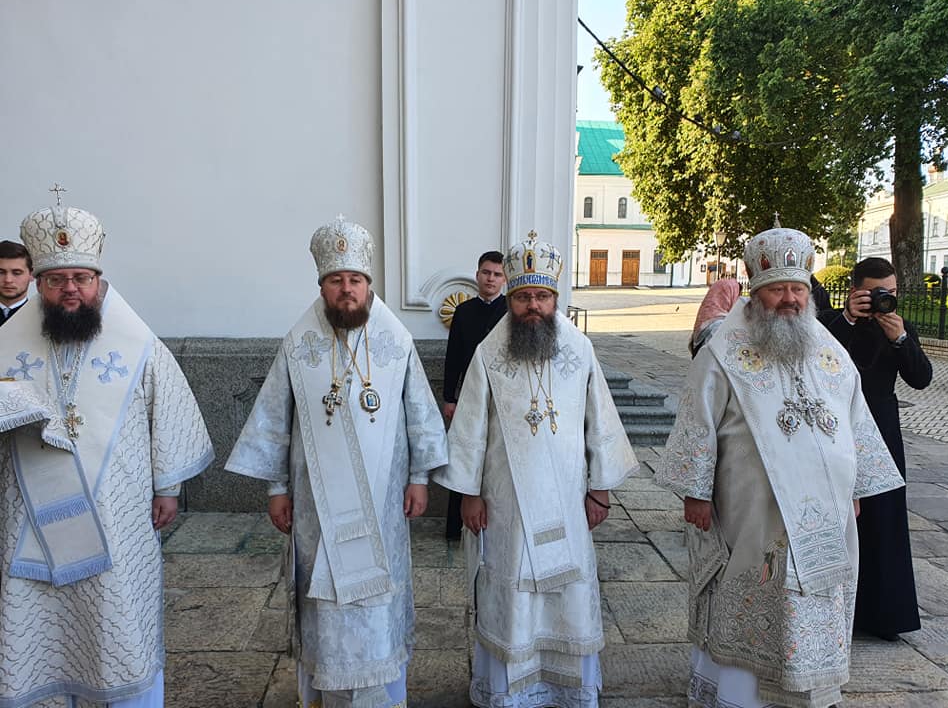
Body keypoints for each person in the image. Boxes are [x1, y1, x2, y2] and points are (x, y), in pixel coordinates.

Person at [656, 225, 904, 708]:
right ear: (756, 292)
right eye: (777, 289)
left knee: (814, 597)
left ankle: (807, 688)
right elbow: (697, 421)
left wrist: (855, 487)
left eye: (797, 289)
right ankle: (739, 696)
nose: (789, 299)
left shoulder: (831, 352)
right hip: (751, 508)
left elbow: (855, 419)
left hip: (825, 512)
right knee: (755, 589)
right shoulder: (722, 352)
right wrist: (695, 492)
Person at [224, 215, 447, 708]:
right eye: (336, 280)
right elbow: (274, 419)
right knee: (323, 597)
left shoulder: (396, 341)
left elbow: (420, 415)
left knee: (376, 597)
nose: (347, 289)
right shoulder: (298, 344)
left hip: (383, 503)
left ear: (368, 284)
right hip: (315, 508)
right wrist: (276, 489)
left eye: (355, 280)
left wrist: (419, 478)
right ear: (322, 286)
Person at [0, 196, 213, 707]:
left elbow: (169, 414)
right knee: (36, 623)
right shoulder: (6, 344)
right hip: (25, 520)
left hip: (118, 516)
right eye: (57, 279)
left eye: (81, 278)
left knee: (118, 622)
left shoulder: (138, 344)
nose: (70, 288)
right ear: (39, 284)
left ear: (99, 281)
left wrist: (168, 487)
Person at [433, 230, 638, 708]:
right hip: (504, 500)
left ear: (555, 298)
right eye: (523, 297)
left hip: (567, 496)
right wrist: (469, 494)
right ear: (510, 299)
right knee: (511, 585)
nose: (533, 306)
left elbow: (599, 423)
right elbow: (470, 427)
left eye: (541, 297)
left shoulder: (580, 349)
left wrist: (601, 490)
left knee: (568, 588)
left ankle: (567, 689)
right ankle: (512, 691)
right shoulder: (489, 353)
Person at [825, 257, 932, 640]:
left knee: (885, 520)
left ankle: (886, 616)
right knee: (842, 518)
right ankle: (839, 612)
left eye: (891, 292)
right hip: (836, 428)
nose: (884, 299)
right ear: (856, 290)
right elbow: (815, 361)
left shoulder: (899, 326)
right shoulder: (831, 324)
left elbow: (921, 378)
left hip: (884, 430)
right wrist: (848, 320)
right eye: (875, 293)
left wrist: (900, 339)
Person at [441, 250, 507, 540]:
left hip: (502, 398)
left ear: (504, 279)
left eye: (497, 274)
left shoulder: (511, 311)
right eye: (486, 273)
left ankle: (495, 522)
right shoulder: (464, 311)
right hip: (468, 397)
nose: (491, 279)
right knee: (465, 454)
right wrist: (449, 397)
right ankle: (454, 527)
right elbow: (453, 357)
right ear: (477, 275)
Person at [0, 239, 33, 327]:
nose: (8, 280)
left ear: (31, 274)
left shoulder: (43, 318)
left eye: (17, 273)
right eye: (1, 272)